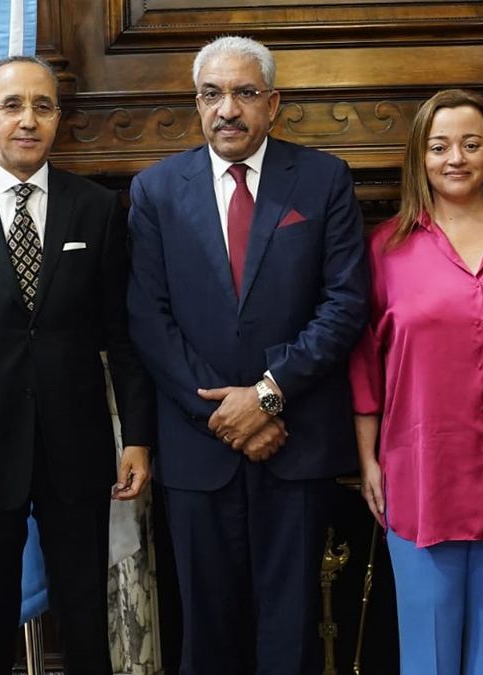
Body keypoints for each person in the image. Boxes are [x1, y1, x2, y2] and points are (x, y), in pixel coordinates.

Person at [127, 35, 367, 675]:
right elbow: (149, 318)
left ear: (274, 103)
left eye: (243, 93)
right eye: (212, 94)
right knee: (206, 632)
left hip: (296, 440)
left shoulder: (322, 179)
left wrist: (265, 397)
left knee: (291, 632)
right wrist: (221, 413)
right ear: (196, 104)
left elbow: (344, 304)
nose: (227, 109)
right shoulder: (154, 190)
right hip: (199, 447)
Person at [0, 55, 154, 675]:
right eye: (12, 105)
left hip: (77, 448)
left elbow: (121, 336)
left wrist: (139, 439)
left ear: (57, 119)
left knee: (86, 626)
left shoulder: (97, 209)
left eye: (42, 106)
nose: (28, 120)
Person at [348, 88, 483, 675]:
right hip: (420, 478)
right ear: (420, 157)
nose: (455, 158)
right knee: (428, 656)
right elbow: (364, 361)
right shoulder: (385, 248)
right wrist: (368, 462)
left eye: (471, 144)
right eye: (439, 146)